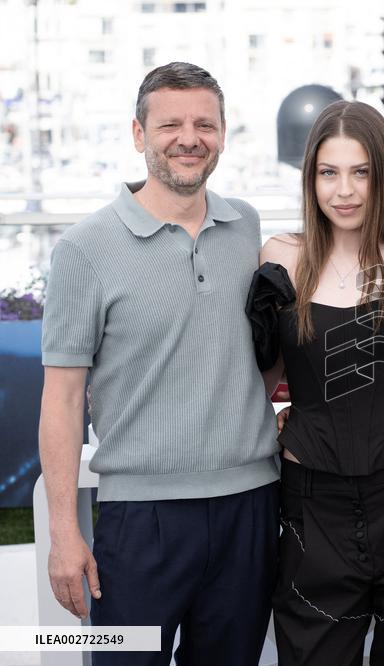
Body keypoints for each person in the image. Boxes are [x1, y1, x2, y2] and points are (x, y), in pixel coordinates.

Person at [38, 62, 280, 664]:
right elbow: (62, 400)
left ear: (222, 134)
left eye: (205, 124)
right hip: (139, 521)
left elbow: (255, 351)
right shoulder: (83, 249)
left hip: (250, 506)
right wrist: (64, 533)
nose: (189, 138)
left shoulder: (246, 227)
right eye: (170, 124)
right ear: (138, 134)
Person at [248, 100, 384, 665]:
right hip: (312, 502)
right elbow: (257, 382)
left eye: (361, 172)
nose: (344, 190)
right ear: (310, 178)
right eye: (329, 172)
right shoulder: (281, 259)